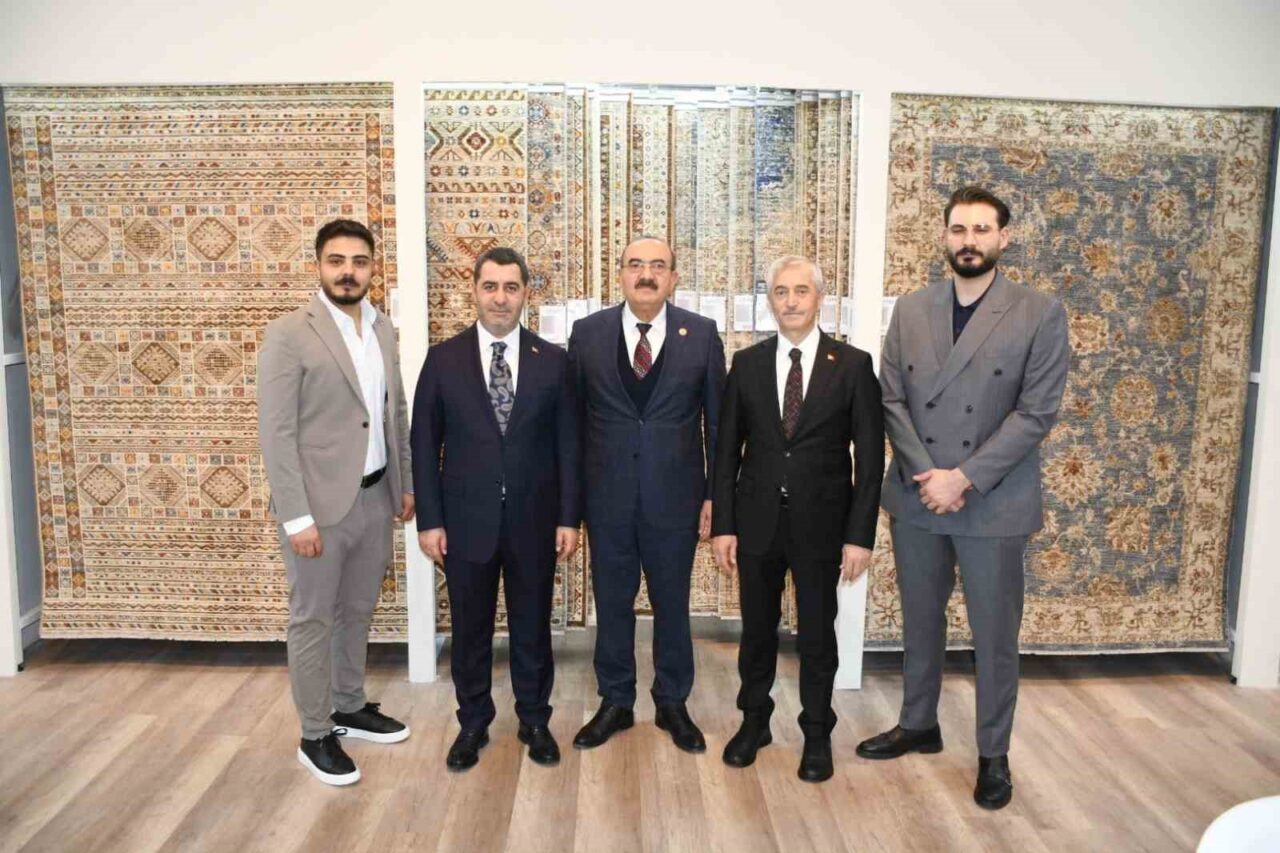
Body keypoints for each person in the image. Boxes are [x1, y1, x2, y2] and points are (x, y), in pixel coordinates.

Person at [856, 186, 1069, 810]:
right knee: (920, 619)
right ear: (944, 237)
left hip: (993, 500)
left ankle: (993, 754)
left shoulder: (1038, 312)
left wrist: (964, 477)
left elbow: (1036, 413)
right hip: (920, 494)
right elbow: (891, 398)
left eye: (981, 229)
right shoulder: (912, 308)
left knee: (994, 635)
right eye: (958, 229)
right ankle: (918, 723)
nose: (968, 241)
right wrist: (929, 474)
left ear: (1004, 238)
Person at [711, 255, 884, 782]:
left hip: (822, 527)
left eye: (801, 291)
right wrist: (724, 525)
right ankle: (754, 722)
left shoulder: (851, 365)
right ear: (770, 301)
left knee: (816, 636)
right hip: (757, 522)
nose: (790, 301)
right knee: (757, 632)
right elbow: (725, 452)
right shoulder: (747, 364)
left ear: (819, 299)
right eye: (781, 292)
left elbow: (870, 460)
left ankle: (816, 733)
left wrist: (859, 537)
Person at [258, 219, 415, 786]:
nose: (348, 272)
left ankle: (349, 704)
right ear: (319, 265)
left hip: (374, 498)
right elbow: (276, 432)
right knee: (313, 618)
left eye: (359, 261)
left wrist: (406, 485)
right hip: (318, 509)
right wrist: (296, 516)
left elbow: (394, 412)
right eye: (337, 261)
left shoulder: (383, 328)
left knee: (358, 610)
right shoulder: (288, 334)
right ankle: (315, 732)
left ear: (373, 268)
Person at [411, 247, 580, 771]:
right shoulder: (443, 360)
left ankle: (535, 719)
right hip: (465, 523)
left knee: (532, 626)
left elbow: (569, 446)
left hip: (535, 521)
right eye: (490, 286)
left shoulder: (554, 361)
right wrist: (430, 520)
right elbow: (424, 445)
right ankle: (473, 723)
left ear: (526, 293)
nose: (500, 298)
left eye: (511, 287)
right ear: (474, 291)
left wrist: (568, 517)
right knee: (470, 629)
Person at [567, 236, 725, 753]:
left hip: (675, 499)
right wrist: (571, 502)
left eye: (658, 266)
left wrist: (715, 497)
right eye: (635, 264)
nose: (646, 274)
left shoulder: (701, 335)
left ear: (673, 278)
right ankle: (615, 701)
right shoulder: (587, 334)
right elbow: (571, 425)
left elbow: (718, 427)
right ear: (620, 274)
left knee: (672, 603)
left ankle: (672, 702)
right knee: (612, 602)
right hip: (606, 498)